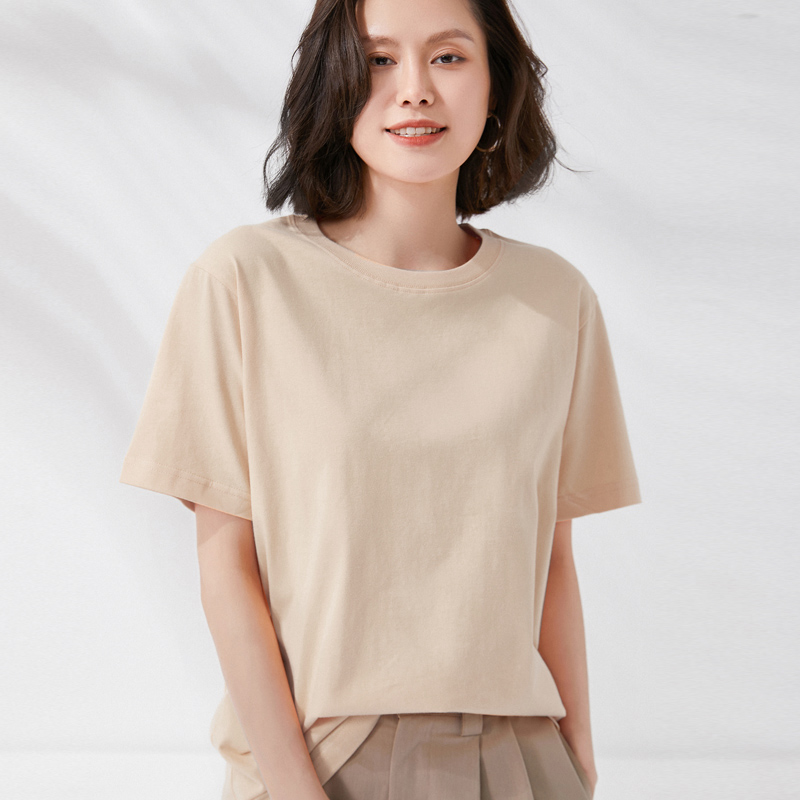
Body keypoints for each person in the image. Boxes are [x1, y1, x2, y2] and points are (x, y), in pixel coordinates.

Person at [119, 0, 642, 797]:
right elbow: (226, 563)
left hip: (522, 756)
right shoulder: (245, 282)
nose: (415, 88)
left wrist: (579, 761)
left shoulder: (554, 299)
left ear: (497, 85)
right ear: (334, 79)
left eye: (450, 56)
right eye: (379, 59)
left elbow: (553, 559)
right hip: (327, 756)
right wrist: (293, 785)